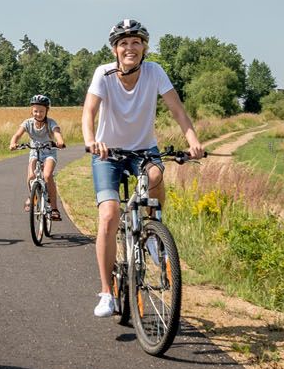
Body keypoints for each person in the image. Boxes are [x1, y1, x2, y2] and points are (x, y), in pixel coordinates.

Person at [82, 18, 205, 318]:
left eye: (135, 42)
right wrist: (90, 140)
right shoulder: (104, 74)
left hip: (143, 149)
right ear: (115, 50)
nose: (129, 47)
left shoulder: (154, 72)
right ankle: (107, 293)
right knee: (109, 216)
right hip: (107, 152)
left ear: (144, 47)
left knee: (154, 175)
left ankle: (152, 234)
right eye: (123, 43)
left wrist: (193, 141)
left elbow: (177, 109)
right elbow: (89, 111)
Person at [8, 94, 69, 209]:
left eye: (41, 111)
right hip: (34, 152)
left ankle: (54, 208)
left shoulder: (51, 123)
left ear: (47, 111)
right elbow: (17, 134)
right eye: (36, 111)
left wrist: (60, 141)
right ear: (31, 111)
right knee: (31, 175)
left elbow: (56, 132)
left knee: (47, 175)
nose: (38, 114)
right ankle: (32, 196)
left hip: (49, 153)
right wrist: (13, 143)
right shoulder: (28, 123)